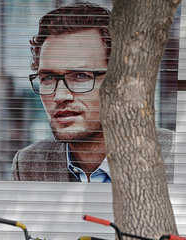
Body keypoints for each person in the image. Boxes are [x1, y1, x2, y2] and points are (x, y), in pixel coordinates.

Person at [11, 2, 174, 183]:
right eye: (48, 78)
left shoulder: (173, 158)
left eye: (81, 76)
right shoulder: (29, 163)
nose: (60, 96)